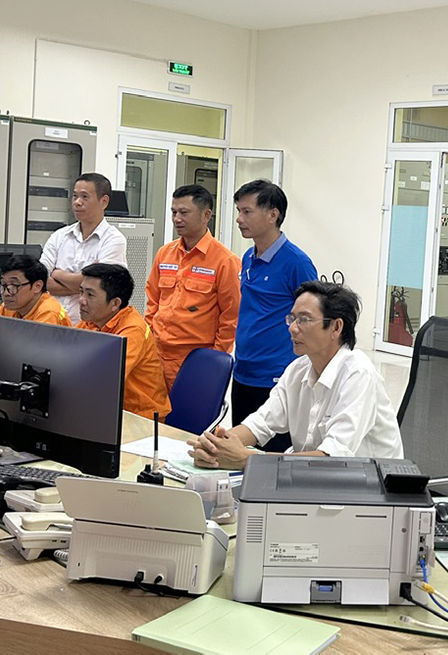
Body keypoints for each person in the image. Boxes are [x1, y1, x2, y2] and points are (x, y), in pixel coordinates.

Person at [189, 280, 402, 470]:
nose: (292, 328)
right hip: (313, 480)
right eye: (292, 318)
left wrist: (247, 460)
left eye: (304, 320)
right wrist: (215, 446)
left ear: (336, 327)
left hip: (366, 489)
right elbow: (260, 423)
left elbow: (333, 459)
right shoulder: (297, 369)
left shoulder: (358, 374)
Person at [230, 180, 317, 451]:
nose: (239, 219)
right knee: (238, 452)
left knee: (273, 459)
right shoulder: (248, 257)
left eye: (247, 212)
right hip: (243, 372)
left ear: (272, 215)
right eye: (239, 211)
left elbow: (313, 317)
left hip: (277, 377)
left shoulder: (296, 263)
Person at [144, 185, 241, 390]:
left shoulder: (225, 261)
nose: (177, 219)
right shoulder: (165, 253)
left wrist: (214, 360)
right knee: (151, 409)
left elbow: (231, 317)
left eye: (184, 212)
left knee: (186, 411)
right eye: (174, 212)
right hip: (156, 355)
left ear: (206, 215)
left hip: (195, 359)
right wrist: (148, 341)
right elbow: (153, 301)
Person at [77, 263, 169, 421]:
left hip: (141, 418)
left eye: (90, 295)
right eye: (81, 292)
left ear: (115, 303)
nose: (81, 300)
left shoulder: (133, 330)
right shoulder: (91, 321)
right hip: (108, 409)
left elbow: (106, 379)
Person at [40, 172, 127, 324]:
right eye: (75, 196)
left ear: (104, 201)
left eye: (85, 197)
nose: (77, 202)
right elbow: (39, 281)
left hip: (89, 327)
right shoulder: (59, 236)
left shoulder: (114, 240)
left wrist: (57, 273)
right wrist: (84, 285)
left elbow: (101, 288)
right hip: (51, 322)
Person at [0, 255, 71, 326]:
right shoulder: (9, 305)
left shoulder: (49, 313)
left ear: (37, 286)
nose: (6, 293)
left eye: (14, 285)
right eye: (4, 284)